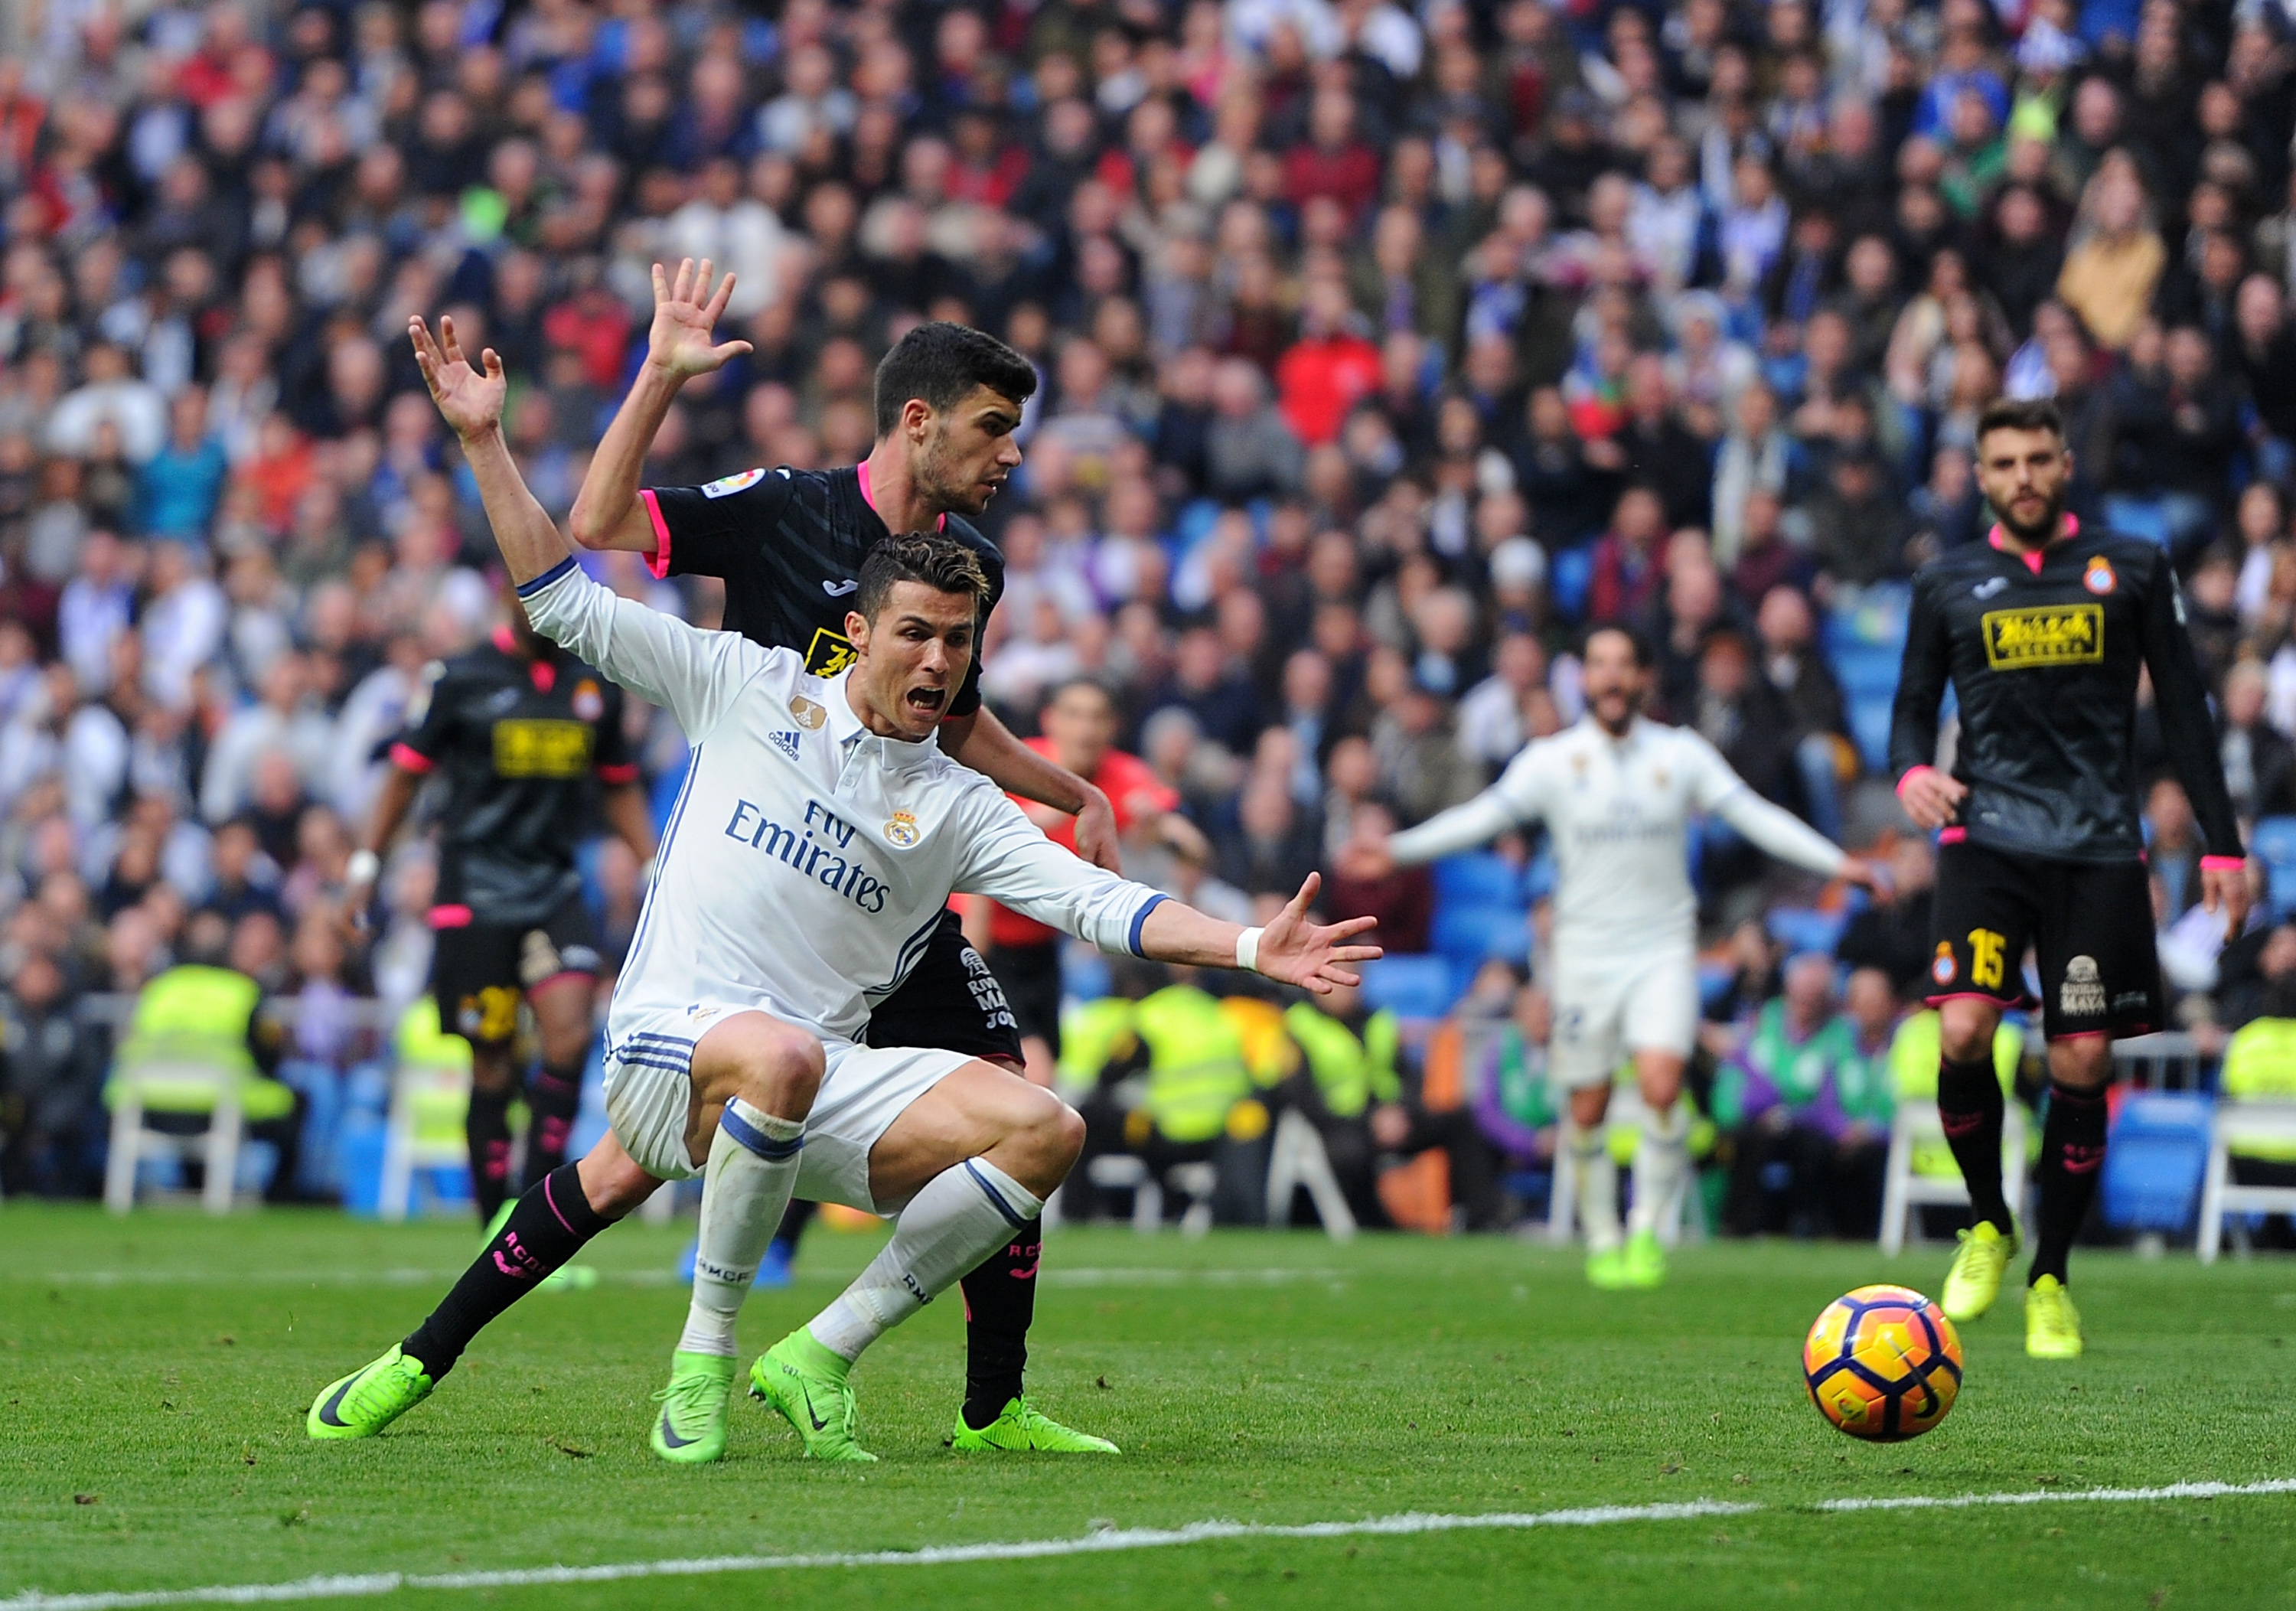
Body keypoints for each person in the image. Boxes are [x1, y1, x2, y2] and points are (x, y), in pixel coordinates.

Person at [307, 316, 1378, 1467]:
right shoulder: (747, 671)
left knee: (1038, 1122)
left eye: (957, 643)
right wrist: (492, 438)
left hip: (827, 1010)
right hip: (686, 1023)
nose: (938, 660)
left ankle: (845, 1358)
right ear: (854, 631)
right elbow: (568, 582)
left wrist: (1255, 946)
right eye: (914, 634)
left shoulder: (955, 787)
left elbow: (1097, 903)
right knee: (681, 1123)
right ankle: (662, 1360)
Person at [565, 262, 1120, 1444]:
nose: (1011, 456)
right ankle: (694, 1344)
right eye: (992, 430)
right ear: (917, 421)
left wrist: (1067, 789)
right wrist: (660, 373)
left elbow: (957, 718)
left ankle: (991, 1406)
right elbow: (600, 528)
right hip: (778, 870)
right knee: (647, 1153)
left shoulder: (972, 564)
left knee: (1019, 1105)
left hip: (896, 876)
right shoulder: (782, 507)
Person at [1350, 625, 1877, 1287]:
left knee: (1661, 1085)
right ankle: (1602, 1235)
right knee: (1589, 1106)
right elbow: (1483, 817)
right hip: (1583, 955)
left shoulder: (1680, 754)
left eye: (1623, 664)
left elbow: (1753, 813)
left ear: (1643, 677)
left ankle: (1647, 1233)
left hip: (1661, 948)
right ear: (1585, 680)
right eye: (1598, 664)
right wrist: (1398, 850)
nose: (1610, 677)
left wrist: (1837, 862)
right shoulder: (1554, 760)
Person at [1890, 396, 2248, 1359]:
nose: (2022, 478)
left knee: (2084, 1060)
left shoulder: (2129, 567)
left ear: (2062, 465)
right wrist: (1914, 770)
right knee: (1963, 1026)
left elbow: (2182, 706)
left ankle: (2050, 1274)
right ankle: (1987, 1222)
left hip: (2095, 841)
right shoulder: (1948, 579)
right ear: (1981, 472)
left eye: (2038, 460)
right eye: (2003, 463)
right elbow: (1913, 704)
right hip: (1987, 833)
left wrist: (2221, 843)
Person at [349, 577, 654, 1229]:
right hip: (476, 891)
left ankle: (535, 1219)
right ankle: (495, 1225)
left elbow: (619, 782)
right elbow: (406, 774)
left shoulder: (591, 682)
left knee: (569, 1035)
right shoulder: (459, 678)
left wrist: (652, 862)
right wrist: (367, 861)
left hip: (554, 886)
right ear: (507, 598)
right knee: (490, 1061)